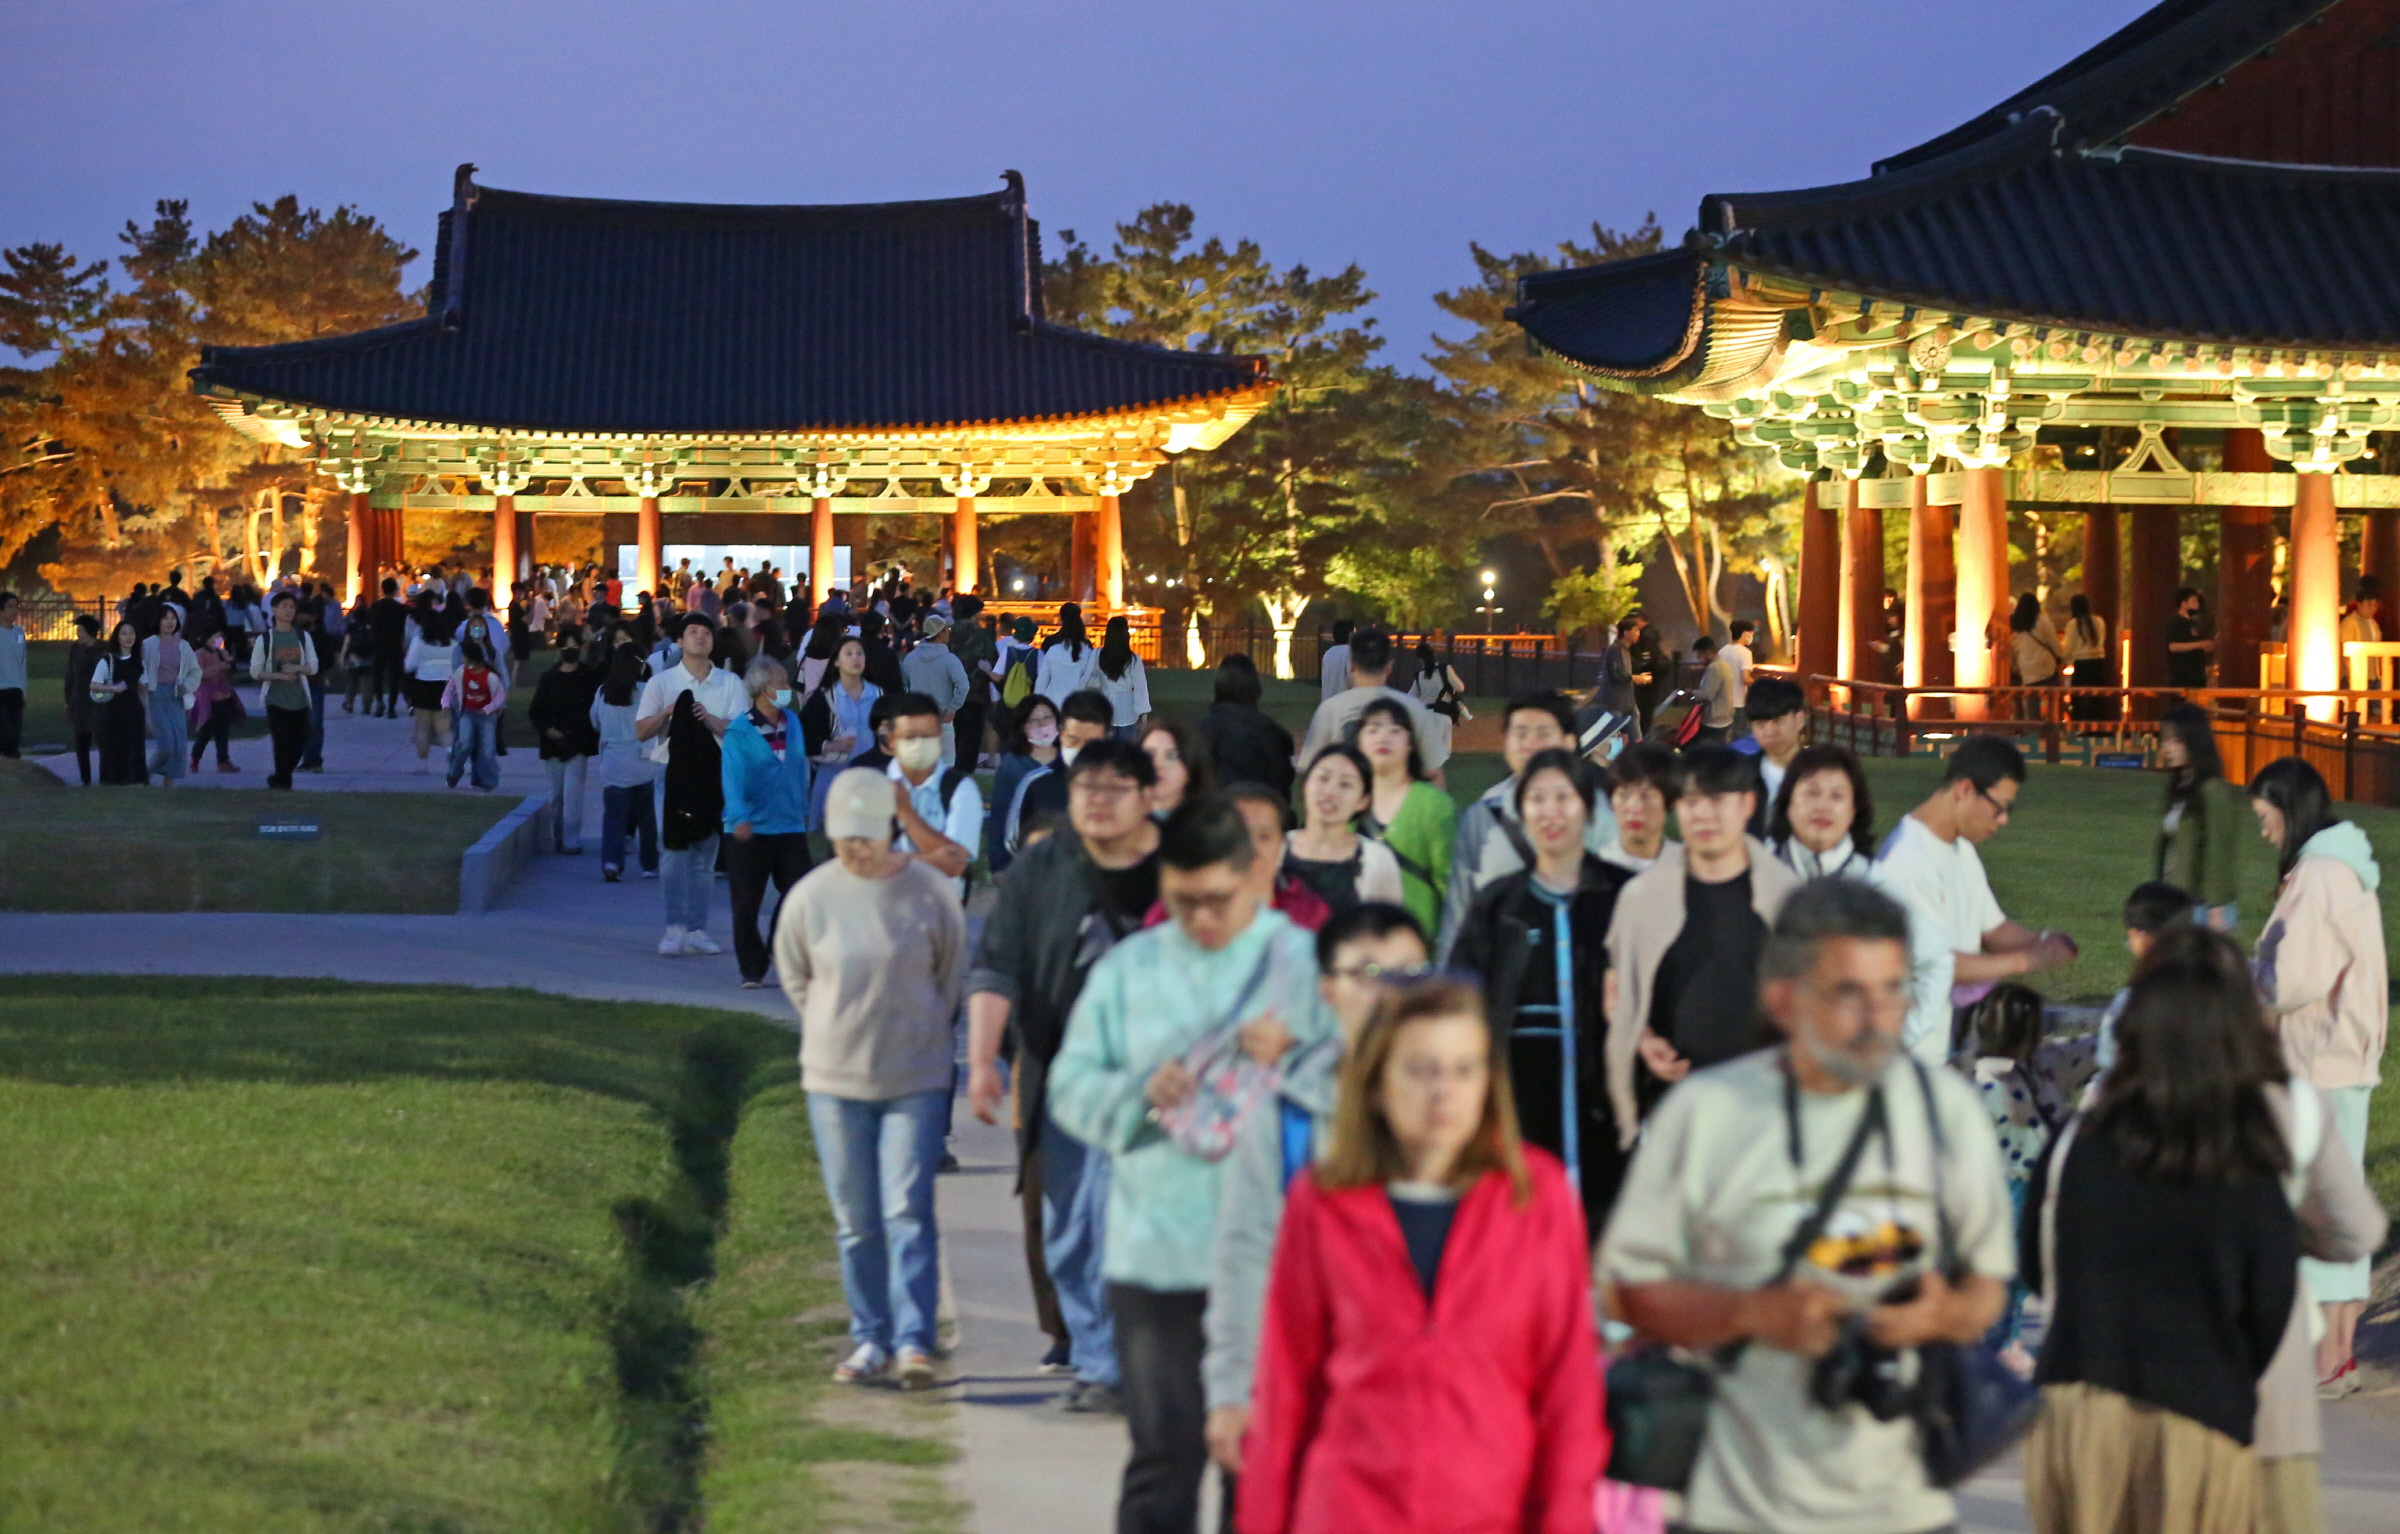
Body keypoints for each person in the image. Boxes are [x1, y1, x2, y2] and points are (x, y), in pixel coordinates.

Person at [1604, 879, 2013, 1534]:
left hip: (1902, 1508)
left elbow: (1988, 1288)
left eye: (1893, 989)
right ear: (1783, 998)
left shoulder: (1947, 1113)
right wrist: (1750, 1312)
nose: (1879, 1017)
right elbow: (1625, 1293)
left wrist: (1941, 1314)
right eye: (1849, 992)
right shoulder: (1707, 1114)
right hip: (1737, 1505)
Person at [1048, 795, 1336, 1534]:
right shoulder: (1129, 969)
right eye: (1183, 900)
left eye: (1219, 899)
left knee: (1264, 1462)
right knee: (1164, 1457)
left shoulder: (1304, 963)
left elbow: (1367, 1091)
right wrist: (1137, 1096)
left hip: (1277, 1254)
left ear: (1253, 877)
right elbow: (1070, 1088)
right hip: (1159, 1254)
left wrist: (1300, 1056)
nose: (1202, 917)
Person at [1236, 975, 1603, 1534]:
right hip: (1349, 1510)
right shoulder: (1323, 1202)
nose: (1443, 1092)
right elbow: (1284, 1390)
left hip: (1493, 1508)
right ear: (1378, 1083)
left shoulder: (1538, 1195)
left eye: (1464, 1069)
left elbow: (1568, 1392)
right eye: (1420, 1069)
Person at [2020, 927, 2300, 1534]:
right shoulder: (2248, 1157)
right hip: (2202, 1414)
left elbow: (2034, 1267)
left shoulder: (2076, 1143)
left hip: (2081, 1407)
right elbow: (2271, 1304)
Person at [966, 739, 1165, 1409]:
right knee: (1070, 1225)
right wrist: (981, 1060)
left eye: (1116, 789)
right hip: (1063, 1072)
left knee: (1130, 1219)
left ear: (1147, 796)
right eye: (1088, 790)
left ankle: (1117, 1365)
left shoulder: (1181, 868)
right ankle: (1095, 1350)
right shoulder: (1041, 869)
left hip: (1160, 1079)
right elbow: (997, 964)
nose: (1100, 803)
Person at [1203, 903, 1428, 1484]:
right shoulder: (1287, 1115)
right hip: (1316, 1389)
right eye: (1368, 974)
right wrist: (1233, 1389)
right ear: (1328, 989)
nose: (1390, 993)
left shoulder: (1469, 1112)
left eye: (1409, 974)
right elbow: (1246, 1253)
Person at [777, 765, 963, 1391]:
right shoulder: (811, 897)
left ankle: (915, 1340)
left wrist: (919, 1028)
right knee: (856, 1216)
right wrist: (836, 1025)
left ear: (888, 830)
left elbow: (950, 974)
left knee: (907, 1207)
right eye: (844, 837)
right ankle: (870, 1337)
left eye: (868, 835)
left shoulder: (928, 892)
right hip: (835, 1078)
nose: (856, 848)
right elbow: (797, 977)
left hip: (915, 1073)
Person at [2246, 755, 2387, 1397]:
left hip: (2320, 1061)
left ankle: (2331, 1355)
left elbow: (2289, 976)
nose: (2264, 829)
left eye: (2265, 816)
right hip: (2340, 1060)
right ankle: (2337, 1352)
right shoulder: (2342, 867)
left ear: (2288, 806)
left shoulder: (2321, 874)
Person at [1450, 748, 1634, 1226]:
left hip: (1601, 1092)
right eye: (1536, 799)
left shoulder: (1621, 895)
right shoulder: (1499, 904)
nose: (1550, 812)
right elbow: (1462, 998)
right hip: (1517, 1095)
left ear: (1589, 807)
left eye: (1563, 798)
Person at [1603, 743, 1798, 1148]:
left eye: (1717, 800)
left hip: (1765, 1112)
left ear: (1747, 804)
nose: (1703, 814)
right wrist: (1643, 1039)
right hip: (1671, 1110)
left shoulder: (1786, 898)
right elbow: (1617, 987)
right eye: (1691, 801)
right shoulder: (1642, 897)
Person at [1875, 735, 2076, 1065]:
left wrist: (2043, 941)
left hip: (1946, 1047)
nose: (2003, 820)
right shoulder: (1905, 861)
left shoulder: (1960, 847)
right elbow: (1933, 962)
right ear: (1965, 790)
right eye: (2000, 808)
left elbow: (1993, 930)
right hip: (1908, 1055)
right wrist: (2028, 961)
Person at [1437, 690, 1618, 960]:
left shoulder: (1599, 814)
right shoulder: (1484, 814)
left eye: (1542, 733)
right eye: (1520, 733)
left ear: (1569, 742)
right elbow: (1460, 913)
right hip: (1503, 976)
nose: (1529, 743)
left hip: (1580, 971)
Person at [638, 612, 747, 957]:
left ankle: (698, 929)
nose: (701, 637)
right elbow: (641, 730)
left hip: (715, 775)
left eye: (706, 632)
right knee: (671, 852)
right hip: (670, 774)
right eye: (693, 632)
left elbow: (742, 731)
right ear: (680, 642)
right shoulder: (663, 681)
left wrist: (711, 720)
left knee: (705, 857)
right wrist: (669, 712)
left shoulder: (729, 683)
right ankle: (674, 926)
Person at [722, 657, 815, 989]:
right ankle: (752, 967)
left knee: (800, 892)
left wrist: (803, 806)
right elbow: (731, 777)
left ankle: (779, 943)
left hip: (789, 825)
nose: (787, 690)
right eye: (782, 683)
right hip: (750, 830)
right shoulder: (739, 730)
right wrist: (739, 817)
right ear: (762, 688)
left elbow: (799, 764)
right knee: (746, 902)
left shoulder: (793, 721)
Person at [1354, 695, 1457, 936]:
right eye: (1373, 729)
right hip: (1359, 941)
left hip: (1419, 942)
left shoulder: (1434, 805)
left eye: (1395, 729)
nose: (1383, 737)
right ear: (1358, 741)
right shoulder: (1348, 804)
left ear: (1411, 743)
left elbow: (1450, 883)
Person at [1298, 625, 1451, 781]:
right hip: (1399, 802)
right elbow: (1433, 772)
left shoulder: (1330, 709)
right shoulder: (1412, 707)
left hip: (1349, 801)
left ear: (1351, 664)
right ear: (1389, 666)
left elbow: (1312, 770)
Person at [1284, 745, 1405, 916]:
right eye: (1323, 778)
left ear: (1363, 800)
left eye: (1345, 784)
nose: (1330, 792)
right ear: (1306, 785)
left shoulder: (1377, 861)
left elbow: (1387, 931)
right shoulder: (1273, 850)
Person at [885, 692, 980, 901]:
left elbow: (955, 864)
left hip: (940, 915)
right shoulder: (872, 785)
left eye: (927, 736)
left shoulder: (960, 789)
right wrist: (934, 858)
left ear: (939, 734)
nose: (919, 744)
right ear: (891, 740)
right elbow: (857, 862)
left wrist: (906, 813)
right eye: (909, 737)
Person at [2155, 702, 2242, 931]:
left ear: (2195, 742)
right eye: (2165, 739)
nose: (2168, 747)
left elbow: (2219, 850)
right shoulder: (2180, 789)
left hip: (2204, 909)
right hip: (2178, 903)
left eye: (2177, 740)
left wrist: (2217, 907)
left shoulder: (2213, 791)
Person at [591, 643, 661, 882]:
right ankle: (649, 863)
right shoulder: (646, 691)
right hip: (642, 762)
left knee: (614, 817)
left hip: (614, 764)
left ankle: (612, 862)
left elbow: (595, 721)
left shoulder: (603, 692)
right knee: (646, 817)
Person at [1012, 689, 1116, 846]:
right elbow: (1014, 846)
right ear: (1060, 733)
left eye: (1091, 744)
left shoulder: (1125, 787)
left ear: (1108, 738)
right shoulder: (1037, 785)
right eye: (1073, 741)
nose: (1081, 751)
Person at [800, 635, 880, 832]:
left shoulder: (878, 695)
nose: (856, 659)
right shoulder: (825, 698)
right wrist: (830, 745)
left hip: (871, 774)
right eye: (849, 653)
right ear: (836, 661)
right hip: (834, 774)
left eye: (860, 653)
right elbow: (802, 736)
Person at [1765, 743, 1878, 879]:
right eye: (1812, 793)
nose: (1823, 806)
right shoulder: (1755, 870)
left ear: (1853, 810)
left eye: (1837, 796)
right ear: (1788, 803)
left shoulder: (1876, 884)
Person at [529, 643, 600, 851]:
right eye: (566, 643)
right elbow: (536, 712)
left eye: (574, 643)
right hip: (553, 744)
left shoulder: (588, 677)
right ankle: (556, 834)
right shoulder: (549, 677)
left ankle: (571, 839)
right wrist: (550, 731)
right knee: (557, 793)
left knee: (573, 793)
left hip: (578, 743)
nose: (570, 648)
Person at [985, 693, 1061, 876]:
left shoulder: (1071, 759)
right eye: (1032, 720)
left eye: (1046, 717)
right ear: (1022, 727)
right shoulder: (1012, 765)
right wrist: (998, 866)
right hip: (1028, 861)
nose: (1042, 725)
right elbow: (1000, 816)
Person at [1197, 657, 1293, 798]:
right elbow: (1282, 788)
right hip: (1260, 814)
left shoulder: (1203, 731)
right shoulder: (1273, 733)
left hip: (1215, 815)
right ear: (1255, 687)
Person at [250, 590, 318, 791]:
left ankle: (279, 778)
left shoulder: (303, 637)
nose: (288, 611)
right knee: (281, 744)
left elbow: (313, 666)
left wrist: (297, 668)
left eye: (291, 607)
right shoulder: (266, 639)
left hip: (300, 700)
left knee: (298, 746)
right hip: (276, 699)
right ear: (274, 609)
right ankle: (284, 785)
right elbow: (255, 671)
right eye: (284, 606)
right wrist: (278, 676)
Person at [1738, 676, 1808, 838]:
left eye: (1777, 721)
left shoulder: (1823, 775)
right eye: (1760, 724)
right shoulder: (1739, 776)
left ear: (1799, 719)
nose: (1769, 732)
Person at [898, 613, 970, 763]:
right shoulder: (950, 660)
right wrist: (953, 707)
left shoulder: (911, 658)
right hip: (943, 718)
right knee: (946, 763)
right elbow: (963, 685)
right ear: (940, 633)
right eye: (946, 630)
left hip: (918, 717)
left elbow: (904, 685)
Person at [139, 606, 199, 785]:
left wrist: (187, 686)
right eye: (165, 618)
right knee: (166, 746)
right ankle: (145, 775)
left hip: (176, 697)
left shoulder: (183, 645)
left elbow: (194, 671)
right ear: (158, 620)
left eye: (173, 618)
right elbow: (140, 673)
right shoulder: (148, 645)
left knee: (179, 746)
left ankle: (168, 785)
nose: (170, 622)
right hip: (156, 696)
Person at [441, 636, 507, 792]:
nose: (461, 659)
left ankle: (489, 781)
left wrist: (489, 708)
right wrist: (445, 704)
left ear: (471, 658)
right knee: (463, 744)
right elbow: (449, 689)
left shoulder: (489, 676)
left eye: (464, 656)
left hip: (486, 717)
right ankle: (455, 773)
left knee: (487, 749)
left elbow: (500, 696)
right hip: (467, 713)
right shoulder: (461, 673)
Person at [1598, 741, 1675, 873]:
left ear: (1670, 802)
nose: (1634, 807)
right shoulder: (1595, 869)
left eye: (1646, 796)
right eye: (1624, 795)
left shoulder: (1690, 867)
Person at [90, 619, 148, 785]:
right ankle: (114, 780)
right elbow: (94, 685)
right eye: (124, 633)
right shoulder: (107, 660)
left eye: (131, 633)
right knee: (114, 747)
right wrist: (113, 688)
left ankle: (135, 779)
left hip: (134, 710)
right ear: (117, 637)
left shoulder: (138, 661)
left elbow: (143, 687)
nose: (128, 637)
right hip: (113, 712)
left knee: (135, 746)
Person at [402, 596, 457, 772]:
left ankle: (423, 764)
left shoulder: (419, 641)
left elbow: (409, 665)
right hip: (445, 686)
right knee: (444, 727)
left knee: (423, 727)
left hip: (423, 685)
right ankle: (450, 750)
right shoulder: (452, 643)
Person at [65, 613, 108, 783]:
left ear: (90, 632)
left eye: (81, 630)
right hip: (80, 702)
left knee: (103, 743)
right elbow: (70, 676)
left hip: (99, 703)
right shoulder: (76, 649)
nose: (78, 634)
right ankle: (86, 779)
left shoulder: (103, 650)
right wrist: (68, 699)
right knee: (81, 743)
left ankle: (106, 777)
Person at [1138, 717, 1210, 819]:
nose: (1157, 765)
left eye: (1171, 756)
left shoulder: (1213, 825)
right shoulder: (1120, 822)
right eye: (1149, 755)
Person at [1093, 615, 1152, 738]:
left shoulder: (1097, 654)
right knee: (1126, 752)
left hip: (1105, 708)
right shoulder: (1134, 659)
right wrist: (1143, 714)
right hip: (1128, 710)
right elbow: (1140, 687)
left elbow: (1088, 678)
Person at [1587, 612, 1648, 719]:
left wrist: (1639, 677)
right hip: (1616, 704)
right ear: (1626, 633)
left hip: (1627, 703)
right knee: (1616, 732)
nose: (1639, 633)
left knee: (1632, 733)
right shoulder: (1615, 650)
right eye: (1636, 630)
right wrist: (1636, 678)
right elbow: (1616, 674)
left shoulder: (1625, 650)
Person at [2009, 593, 2065, 708]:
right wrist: (2061, 656)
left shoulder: (2018, 623)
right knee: (2053, 698)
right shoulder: (2042, 621)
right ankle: (2053, 720)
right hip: (2045, 665)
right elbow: (2053, 642)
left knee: (2032, 701)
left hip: (2027, 667)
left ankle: (2032, 724)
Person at [1037, 602, 1100, 702]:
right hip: (1079, 703)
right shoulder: (1087, 648)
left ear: (1061, 618)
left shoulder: (1051, 644)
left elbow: (1042, 679)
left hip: (1054, 700)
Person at [2064, 591, 2113, 721]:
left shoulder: (2073, 624)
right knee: (2096, 695)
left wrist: (2066, 660)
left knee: (2078, 696)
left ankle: (2078, 724)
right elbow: (2102, 640)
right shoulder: (2099, 621)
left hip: (2081, 663)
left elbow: (2069, 647)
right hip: (2098, 662)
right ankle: (2096, 725)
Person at [1625, 610, 1669, 732]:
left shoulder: (1646, 635)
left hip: (1645, 681)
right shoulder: (1648, 634)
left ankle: (1641, 738)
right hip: (1649, 680)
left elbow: (1646, 659)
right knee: (1645, 714)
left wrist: (1637, 668)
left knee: (1643, 714)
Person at [1690, 633, 1738, 744]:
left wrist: (1691, 693)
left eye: (1699, 655)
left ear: (1706, 653)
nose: (1698, 658)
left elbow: (1707, 695)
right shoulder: (1722, 664)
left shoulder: (1715, 668)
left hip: (1715, 719)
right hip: (1723, 716)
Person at [2167, 585, 2214, 691]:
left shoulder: (2194, 623)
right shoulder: (2176, 622)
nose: (2197, 605)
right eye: (2194, 602)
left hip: (2197, 676)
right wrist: (2199, 644)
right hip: (2182, 677)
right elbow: (2173, 646)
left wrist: (2206, 646)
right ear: (2184, 604)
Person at [0, 591, 23, 759]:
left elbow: (22, 661)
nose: (14, 611)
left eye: (16, 607)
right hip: (1, 688)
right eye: (9, 607)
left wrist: (23, 688)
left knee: (15, 729)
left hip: (15, 688)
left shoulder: (19, 633)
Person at [1722, 616, 1757, 717]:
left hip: (1723, 702)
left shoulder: (1722, 651)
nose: (1752, 637)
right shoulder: (1745, 653)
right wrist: (1758, 683)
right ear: (1745, 634)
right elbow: (1745, 678)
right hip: (1738, 702)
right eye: (1751, 634)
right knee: (1740, 732)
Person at [1318, 617, 1354, 699]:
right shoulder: (1350, 653)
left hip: (1327, 700)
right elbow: (1351, 677)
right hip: (1344, 701)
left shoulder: (1328, 653)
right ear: (1350, 634)